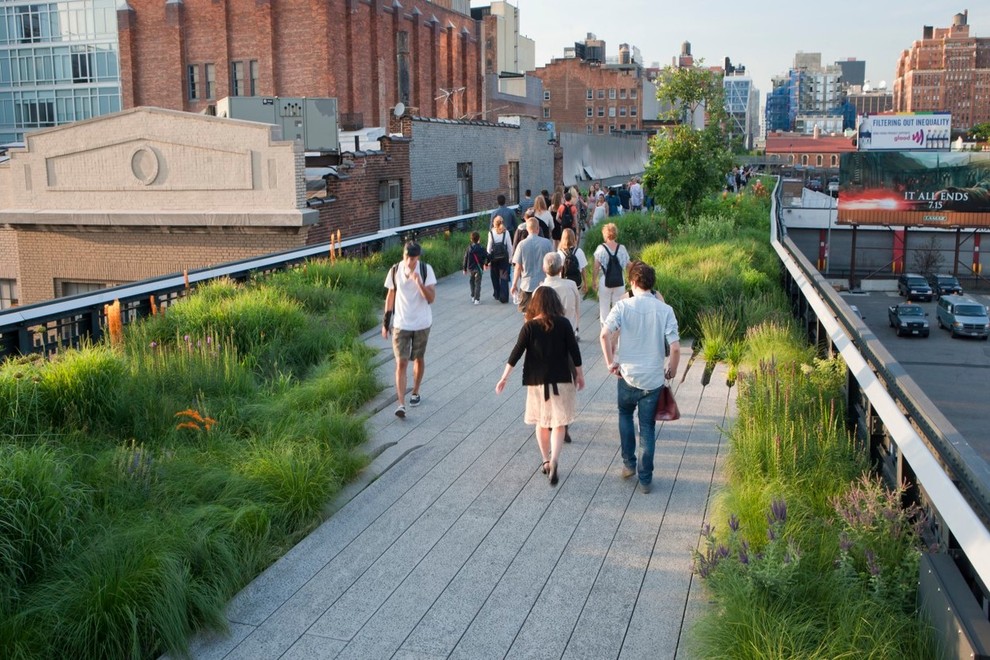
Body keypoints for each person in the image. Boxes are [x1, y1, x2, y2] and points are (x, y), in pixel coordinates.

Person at [599, 261, 680, 494]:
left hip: (627, 375)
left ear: (633, 282)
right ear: (652, 284)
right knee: (647, 427)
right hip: (653, 379)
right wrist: (671, 371)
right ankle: (645, 479)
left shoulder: (623, 306)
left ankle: (628, 464)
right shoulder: (665, 310)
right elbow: (675, 348)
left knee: (625, 415)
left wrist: (610, 362)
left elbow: (605, 334)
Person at [496, 287, 585, 486]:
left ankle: (545, 460)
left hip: (536, 383)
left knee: (541, 422)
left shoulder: (529, 326)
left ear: (535, 304)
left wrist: (504, 378)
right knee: (559, 423)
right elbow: (574, 351)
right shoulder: (564, 323)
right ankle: (555, 459)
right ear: (555, 302)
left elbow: (516, 353)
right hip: (562, 380)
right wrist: (580, 375)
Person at [382, 241, 437, 419]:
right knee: (401, 363)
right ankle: (401, 404)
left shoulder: (426, 270)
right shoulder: (395, 270)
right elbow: (390, 295)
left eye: (412, 258)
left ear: (418, 257)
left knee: (418, 359)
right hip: (401, 324)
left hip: (421, 323)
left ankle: (415, 391)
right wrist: (385, 322)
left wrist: (419, 283)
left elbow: (431, 298)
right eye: (406, 257)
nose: (408, 261)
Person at [511, 214, 554, 313]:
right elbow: (552, 263)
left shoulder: (521, 245)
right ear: (538, 228)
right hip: (544, 284)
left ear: (527, 229)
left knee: (527, 314)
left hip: (527, 285)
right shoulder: (547, 243)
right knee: (543, 313)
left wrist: (514, 284)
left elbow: (517, 267)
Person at [538, 252, 581, 342]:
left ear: (544, 269)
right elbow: (577, 309)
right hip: (569, 332)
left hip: (547, 335)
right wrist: (576, 326)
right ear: (561, 269)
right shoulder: (572, 285)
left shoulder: (539, 291)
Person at [487, 215, 513, 302]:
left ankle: (497, 294)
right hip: (504, 259)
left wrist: (488, 260)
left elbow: (489, 247)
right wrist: (510, 257)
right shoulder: (506, 232)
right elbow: (510, 246)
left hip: (494, 259)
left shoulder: (491, 233)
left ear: (494, 223)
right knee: (504, 277)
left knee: (494, 276)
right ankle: (504, 297)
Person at [557, 227, 588, 295]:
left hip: (564, 283)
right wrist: (585, 283)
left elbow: (559, 270)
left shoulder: (559, 253)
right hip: (576, 283)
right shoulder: (579, 251)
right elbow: (583, 269)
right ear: (574, 238)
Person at [462, 230, 488, 305]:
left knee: (472, 282)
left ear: (471, 239)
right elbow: (486, 256)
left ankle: (473, 296)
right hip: (479, 268)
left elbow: (465, 258)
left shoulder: (469, 248)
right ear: (479, 238)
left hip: (471, 269)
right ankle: (477, 299)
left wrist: (464, 268)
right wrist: (486, 264)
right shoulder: (481, 248)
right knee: (478, 283)